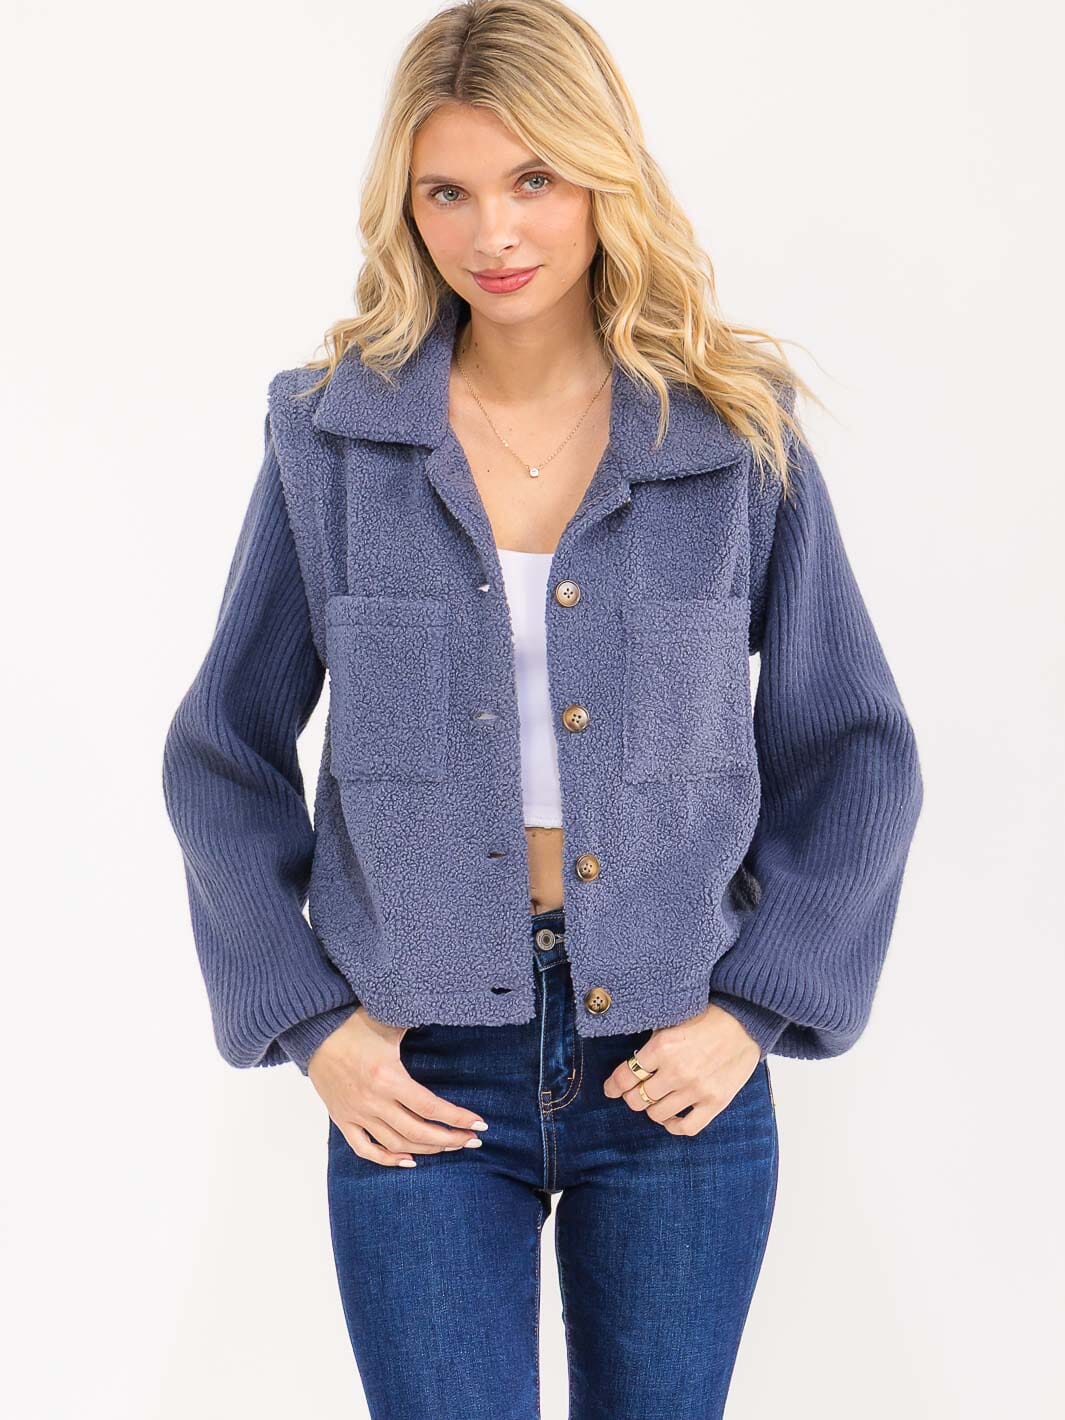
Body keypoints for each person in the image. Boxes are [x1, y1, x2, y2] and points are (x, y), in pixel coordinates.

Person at [161, 2, 923, 1414]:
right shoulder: (335, 438)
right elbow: (222, 752)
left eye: (533, 180)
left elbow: (852, 748)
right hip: (420, 1073)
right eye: (445, 191)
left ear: (602, 179)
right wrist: (312, 1024)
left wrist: (753, 1011)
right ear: (403, 207)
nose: (492, 232)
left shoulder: (728, 434)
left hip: (672, 1066)